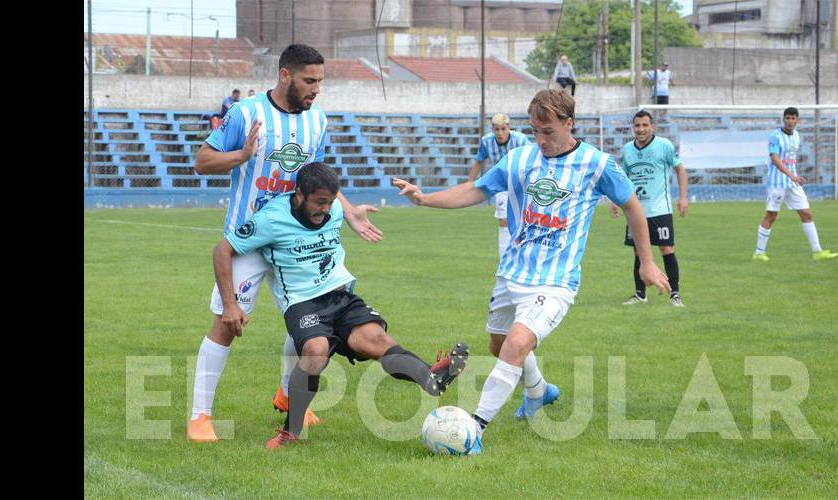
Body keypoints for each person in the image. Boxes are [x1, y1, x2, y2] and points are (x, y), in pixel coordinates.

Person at [392, 89, 670, 454]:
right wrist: (424, 198)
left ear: (569, 124)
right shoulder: (519, 159)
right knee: (498, 345)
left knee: (517, 343)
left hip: (556, 279)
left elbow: (633, 206)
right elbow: (476, 190)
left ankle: (472, 431)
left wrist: (647, 261)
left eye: (548, 132)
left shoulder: (596, 164)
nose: (541, 140)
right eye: (535, 131)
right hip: (511, 273)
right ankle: (539, 391)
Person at [187, 44, 385, 443]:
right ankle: (199, 417)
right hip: (249, 239)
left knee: (306, 318)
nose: (316, 89)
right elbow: (202, 161)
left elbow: (318, 178)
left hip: (298, 240)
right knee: (229, 324)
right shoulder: (246, 113)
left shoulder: (317, 120)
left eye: (320, 81)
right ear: (284, 75)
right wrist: (241, 155)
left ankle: (286, 396)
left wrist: (346, 210)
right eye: (309, 80)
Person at [213, 163, 469, 449]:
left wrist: (350, 212)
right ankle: (291, 432)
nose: (326, 209)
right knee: (316, 351)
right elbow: (223, 249)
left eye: (331, 202)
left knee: (376, 339)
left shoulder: (334, 209)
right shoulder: (271, 218)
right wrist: (229, 304)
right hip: (302, 302)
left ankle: (431, 377)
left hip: (341, 297)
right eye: (320, 202)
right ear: (299, 193)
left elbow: (339, 209)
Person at [611, 110, 688, 307]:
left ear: (652, 126)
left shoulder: (664, 146)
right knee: (638, 252)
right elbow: (622, 178)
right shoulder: (628, 149)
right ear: (633, 128)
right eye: (637, 125)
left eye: (645, 125)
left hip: (660, 209)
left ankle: (675, 294)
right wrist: (614, 201)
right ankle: (640, 294)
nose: (641, 129)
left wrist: (683, 197)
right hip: (635, 211)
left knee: (666, 248)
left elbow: (680, 169)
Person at [752, 107, 838, 262]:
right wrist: (791, 175)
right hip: (777, 182)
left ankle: (817, 252)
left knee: (807, 214)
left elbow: (790, 159)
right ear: (783, 119)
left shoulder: (797, 136)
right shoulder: (775, 136)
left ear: (797, 120)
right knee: (771, 216)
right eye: (787, 118)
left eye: (793, 118)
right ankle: (759, 253)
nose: (790, 121)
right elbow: (775, 159)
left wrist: (795, 176)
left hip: (793, 182)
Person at [468, 113, 532, 258]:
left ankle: (523, 255)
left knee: (526, 220)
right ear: (492, 129)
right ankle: (504, 259)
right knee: (503, 220)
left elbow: (533, 159)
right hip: (502, 184)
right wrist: (469, 185)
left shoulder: (520, 140)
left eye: (503, 129)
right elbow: (479, 161)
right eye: (496, 129)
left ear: (509, 128)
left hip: (522, 184)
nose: (500, 133)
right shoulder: (486, 141)